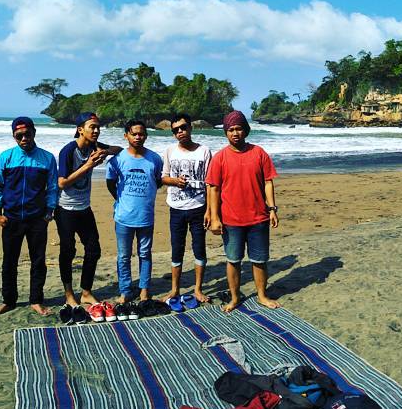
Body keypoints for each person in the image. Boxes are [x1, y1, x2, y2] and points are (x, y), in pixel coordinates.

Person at [206, 110, 280, 312]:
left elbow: (268, 182)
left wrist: (272, 208)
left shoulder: (259, 153)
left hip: (258, 218)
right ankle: (235, 297)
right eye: (230, 130)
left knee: (259, 260)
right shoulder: (219, 158)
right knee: (233, 260)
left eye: (238, 128)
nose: (235, 133)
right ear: (226, 133)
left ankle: (262, 295)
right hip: (231, 220)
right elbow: (213, 189)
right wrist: (214, 217)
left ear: (246, 130)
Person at [0, 116, 58, 317]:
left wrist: (49, 211)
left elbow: (52, 187)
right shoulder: (6, 157)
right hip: (11, 219)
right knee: (9, 261)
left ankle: (36, 300)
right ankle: (8, 300)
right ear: (14, 136)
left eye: (27, 134)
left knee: (38, 261)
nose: (24, 138)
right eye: (19, 135)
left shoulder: (46, 158)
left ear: (34, 133)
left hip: (37, 218)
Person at [55, 113, 121, 311]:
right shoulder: (67, 151)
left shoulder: (95, 146)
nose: (96, 130)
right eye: (92, 127)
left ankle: (85, 292)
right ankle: (69, 294)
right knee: (68, 251)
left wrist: (105, 152)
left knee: (94, 250)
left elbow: (118, 149)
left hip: (84, 208)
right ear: (80, 129)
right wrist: (89, 165)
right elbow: (62, 182)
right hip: (65, 208)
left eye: (98, 127)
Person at [106, 120, 165, 310]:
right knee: (123, 256)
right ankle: (125, 291)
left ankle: (144, 289)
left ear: (146, 136)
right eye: (134, 134)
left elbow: (157, 181)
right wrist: (122, 200)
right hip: (123, 217)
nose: (138, 137)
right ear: (126, 136)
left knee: (145, 254)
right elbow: (110, 183)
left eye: (141, 134)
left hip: (146, 216)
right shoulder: (117, 159)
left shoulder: (155, 159)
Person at [160, 113, 213, 306]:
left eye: (183, 128)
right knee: (177, 249)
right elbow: (163, 177)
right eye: (175, 130)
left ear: (190, 127)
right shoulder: (169, 151)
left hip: (198, 207)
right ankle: (175, 289)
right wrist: (174, 181)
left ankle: (198, 289)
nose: (180, 132)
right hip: (176, 207)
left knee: (199, 248)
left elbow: (210, 182)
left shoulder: (204, 151)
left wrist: (210, 210)